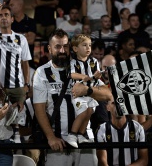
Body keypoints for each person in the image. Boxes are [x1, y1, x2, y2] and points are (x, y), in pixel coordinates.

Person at [33, 29, 112, 166]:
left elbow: (107, 93)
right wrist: (51, 137)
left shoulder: (83, 66)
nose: (62, 51)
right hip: (58, 141)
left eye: (65, 46)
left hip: (85, 139)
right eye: (58, 47)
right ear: (49, 49)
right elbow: (39, 108)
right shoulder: (42, 72)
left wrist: (87, 90)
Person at [0, 0, 31, 112]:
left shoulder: (21, 39)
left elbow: (25, 63)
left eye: (6, 15)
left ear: (12, 19)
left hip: (17, 87)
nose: (3, 17)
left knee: (19, 120)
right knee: (0, 118)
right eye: (1, 15)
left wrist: (26, 84)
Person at [66, 34, 102, 148]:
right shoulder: (73, 63)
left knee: (89, 112)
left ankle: (81, 135)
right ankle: (72, 135)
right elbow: (71, 74)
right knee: (82, 112)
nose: (88, 48)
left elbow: (97, 76)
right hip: (78, 94)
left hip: (91, 93)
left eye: (90, 45)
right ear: (75, 48)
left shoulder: (94, 61)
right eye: (84, 45)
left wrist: (97, 76)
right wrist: (83, 76)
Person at [95, 97, 148, 166]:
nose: (118, 106)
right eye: (114, 103)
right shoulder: (102, 129)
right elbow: (102, 161)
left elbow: (144, 160)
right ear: (107, 107)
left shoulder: (138, 128)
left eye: (121, 102)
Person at [9, 0, 37, 70]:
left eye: (12, 5)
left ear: (20, 6)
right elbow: (7, 39)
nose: (9, 7)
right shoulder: (8, 22)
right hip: (11, 62)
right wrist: (24, 35)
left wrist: (14, 36)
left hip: (28, 62)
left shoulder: (31, 22)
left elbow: (31, 40)